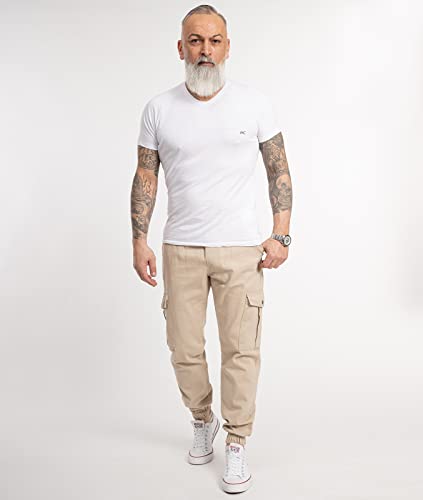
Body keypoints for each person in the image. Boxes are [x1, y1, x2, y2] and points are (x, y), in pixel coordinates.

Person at [130, 4, 293, 494]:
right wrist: (139, 239)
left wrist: (281, 234)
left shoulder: (255, 104)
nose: (205, 50)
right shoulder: (159, 108)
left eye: (214, 40)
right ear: (181, 47)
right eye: (196, 41)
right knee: (183, 347)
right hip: (180, 246)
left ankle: (237, 440)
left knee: (241, 349)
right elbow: (145, 175)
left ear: (227, 47)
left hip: (241, 249)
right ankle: (203, 419)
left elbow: (279, 169)